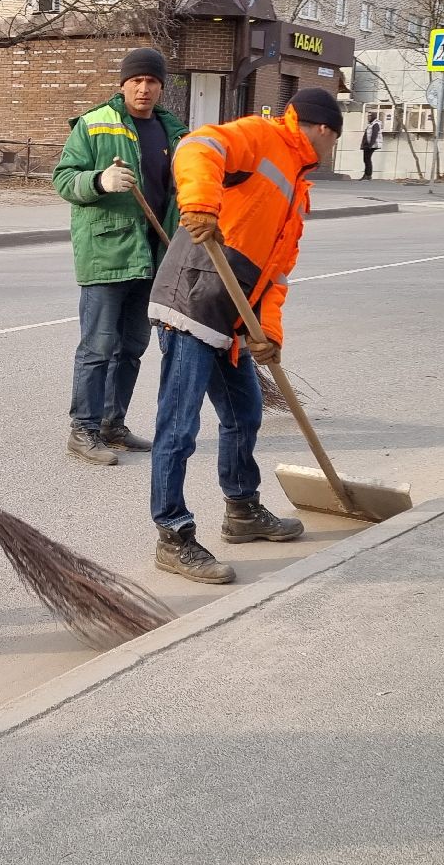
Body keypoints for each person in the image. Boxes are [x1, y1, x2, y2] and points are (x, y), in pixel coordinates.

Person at [145, 88, 338, 583]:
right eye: (335, 139)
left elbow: (275, 274)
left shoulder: (297, 188)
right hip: (192, 298)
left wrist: (267, 332)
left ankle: (242, 509)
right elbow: (198, 146)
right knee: (178, 427)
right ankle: (173, 535)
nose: (333, 148)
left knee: (244, 415)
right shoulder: (263, 136)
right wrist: (200, 203)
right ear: (323, 129)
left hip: (231, 317)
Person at [52, 48, 188, 466]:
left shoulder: (174, 132)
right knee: (98, 347)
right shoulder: (95, 124)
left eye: (152, 81)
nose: (144, 88)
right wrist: (99, 180)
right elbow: (63, 179)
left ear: (161, 86)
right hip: (107, 252)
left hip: (154, 255)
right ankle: (83, 430)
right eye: (136, 81)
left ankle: (113, 425)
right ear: (124, 84)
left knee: (131, 346)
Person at [359, 114, 382, 180]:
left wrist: (370, 145)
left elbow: (374, 135)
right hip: (367, 144)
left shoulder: (375, 124)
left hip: (370, 145)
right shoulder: (371, 124)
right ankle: (367, 174)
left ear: (373, 117)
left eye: (369, 117)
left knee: (367, 159)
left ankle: (368, 175)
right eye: (368, 117)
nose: (368, 118)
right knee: (366, 159)